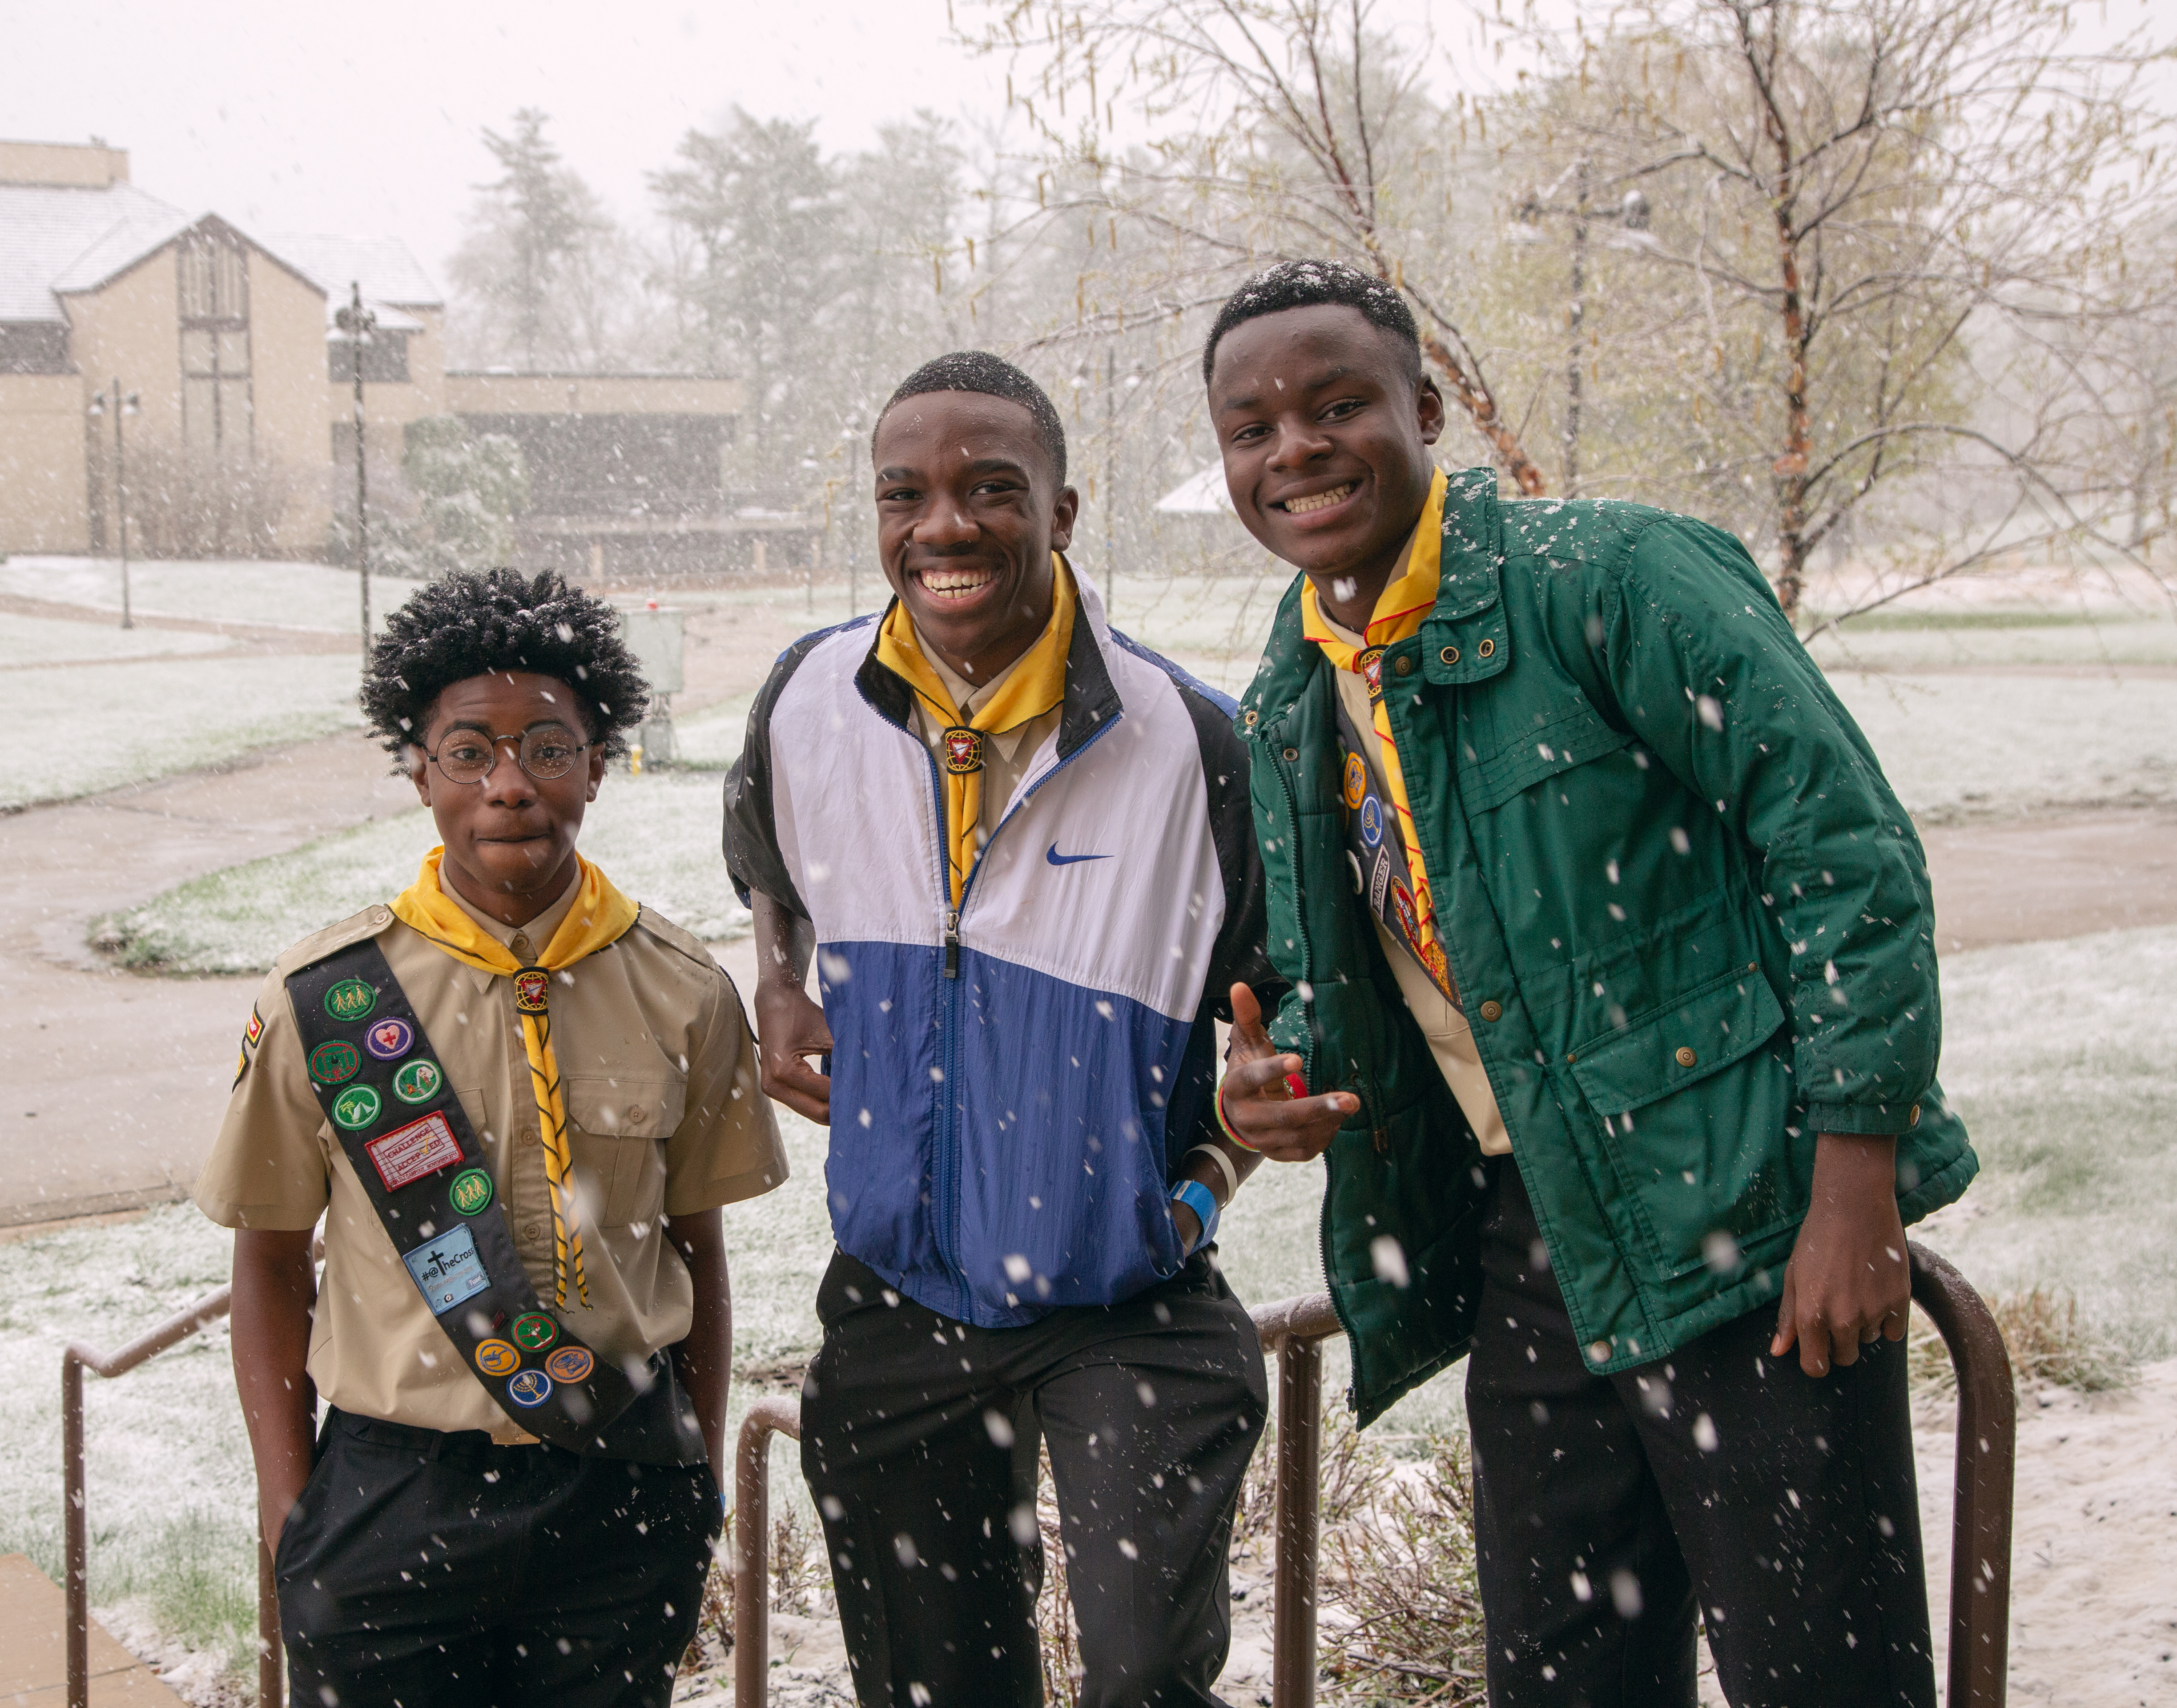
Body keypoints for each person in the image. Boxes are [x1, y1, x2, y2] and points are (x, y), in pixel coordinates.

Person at [1202, 260, 1977, 1708]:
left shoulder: (1610, 576)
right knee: (1564, 1675)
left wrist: (1855, 1182)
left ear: (1424, 411)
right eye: (1252, 428)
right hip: (1534, 1244)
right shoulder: (1299, 689)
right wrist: (1285, 1077)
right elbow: (1369, 976)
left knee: (1827, 1671)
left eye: (1337, 405)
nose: (1294, 451)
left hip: (1751, 1219)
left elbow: (1846, 856)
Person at [723, 351, 1280, 1708]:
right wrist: (780, 972)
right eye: (904, 496)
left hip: (1127, 1303)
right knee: (933, 1688)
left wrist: (1211, 1176)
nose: (943, 528)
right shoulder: (807, 697)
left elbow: (1282, 1016)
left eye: (991, 490)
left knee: (1144, 1679)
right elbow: (762, 857)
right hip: (902, 1296)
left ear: (1065, 512)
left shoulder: (1195, 741)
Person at [202, 568, 788, 1708]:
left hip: (618, 1483)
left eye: (548, 749)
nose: (509, 785)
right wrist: (292, 1513)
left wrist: (696, 1468)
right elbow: (270, 1263)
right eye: (468, 751)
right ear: (418, 770)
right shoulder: (323, 1004)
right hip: (390, 1497)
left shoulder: (685, 992)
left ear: (599, 766)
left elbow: (695, 1253)